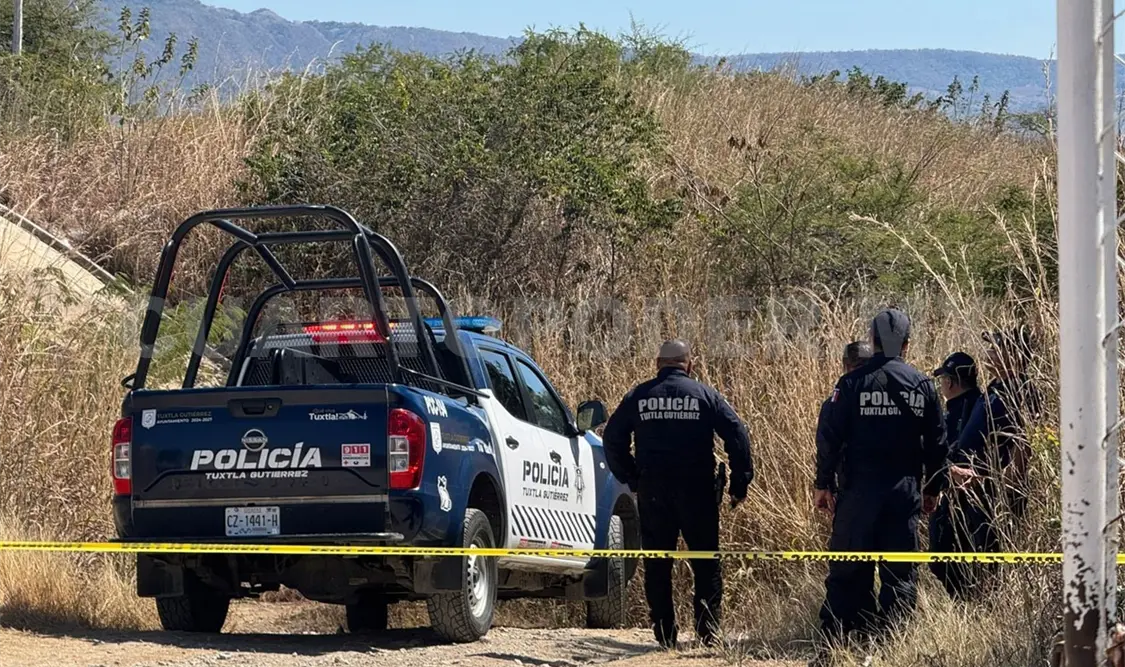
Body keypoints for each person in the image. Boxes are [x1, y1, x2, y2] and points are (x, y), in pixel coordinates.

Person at [602, 339, 754, 649]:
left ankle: (665, 635)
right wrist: (739, 485)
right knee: (705, 561)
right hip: (697, 490)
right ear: (689, 365)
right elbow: (737, 434)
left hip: (653, 491)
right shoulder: (704, 395)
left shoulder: (639, 396)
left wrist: (632, 477)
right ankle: (708, 632)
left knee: (658, 562)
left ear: (657, 365)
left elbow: (612, 438)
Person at [812, 308, 948, 656]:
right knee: (899, 574)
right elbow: (937, 444)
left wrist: (823, 483)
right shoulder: (923, 385)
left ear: (872, 341)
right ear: (906, 344)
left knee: (847, 569)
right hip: (903, 493)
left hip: (858, 491)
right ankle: (895, 649)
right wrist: (933, 488)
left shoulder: (851, 383)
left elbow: (829, 436)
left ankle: (837, 647)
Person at [953, 326, 1042, 524]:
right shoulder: (995, 387)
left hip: (996, 494)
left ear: (1015, 356)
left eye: (995, 348)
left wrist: (1007, 481)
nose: (989, 352)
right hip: (975, 488)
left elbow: (1027, 438)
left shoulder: (1022, 389)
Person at [926, 351, 992, 599]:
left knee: (942, 557)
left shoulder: (957, 412)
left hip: (958, 496)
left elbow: (946, 452)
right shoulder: (984, 404)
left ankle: (966, 602)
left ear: (950, 382)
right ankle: (968, 603)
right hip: (979, 496)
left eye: (943, 379)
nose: (942, 384)